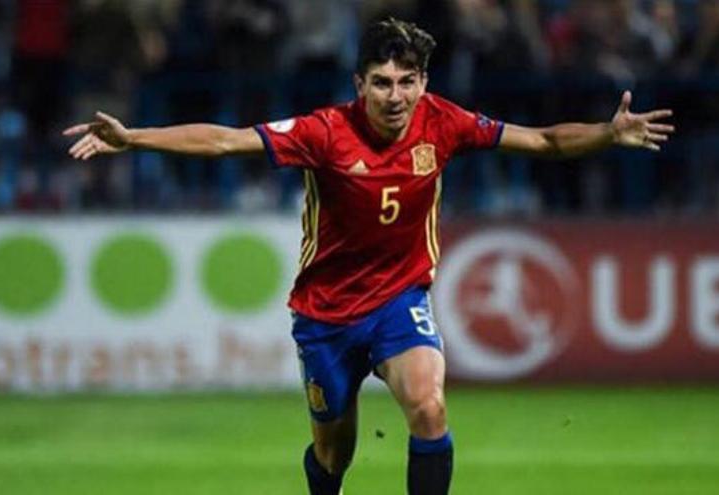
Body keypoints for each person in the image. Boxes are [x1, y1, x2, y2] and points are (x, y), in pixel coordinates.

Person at [64, 17, 673, 495]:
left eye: (407, 82)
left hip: (399, 301)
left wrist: (606, 132)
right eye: (381, 82)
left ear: (423, 83)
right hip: (325, 315)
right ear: (360, 85)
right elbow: (225, 141)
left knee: (428, 406)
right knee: (333, 455)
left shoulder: (444, 122)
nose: (395, 96)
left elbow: (540, 140)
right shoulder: (323, 132)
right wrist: (134, 138)